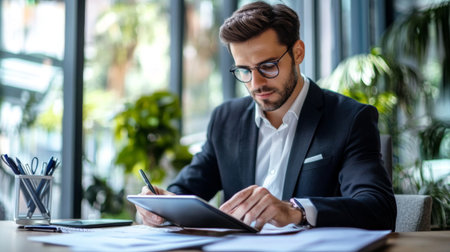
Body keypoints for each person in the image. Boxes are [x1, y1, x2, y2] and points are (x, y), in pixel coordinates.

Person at [136, 1, 396, 231]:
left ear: (298, 53)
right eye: (244, 71)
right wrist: (158, 205)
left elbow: (378, 208)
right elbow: (186, 191)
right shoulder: (226, 120)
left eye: (268, 66)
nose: (256, 83)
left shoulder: (349, 119)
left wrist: (295, 211)